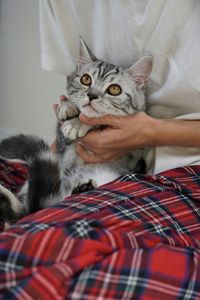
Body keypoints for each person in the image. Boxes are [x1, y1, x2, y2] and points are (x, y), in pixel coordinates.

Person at [40, 0, 200, 174]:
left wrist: (149, 133)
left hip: (187, 164)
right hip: (85, 153)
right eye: (88, 81)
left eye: (113, 89)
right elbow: (74, 83)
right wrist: (65, 139)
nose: (92, 94)